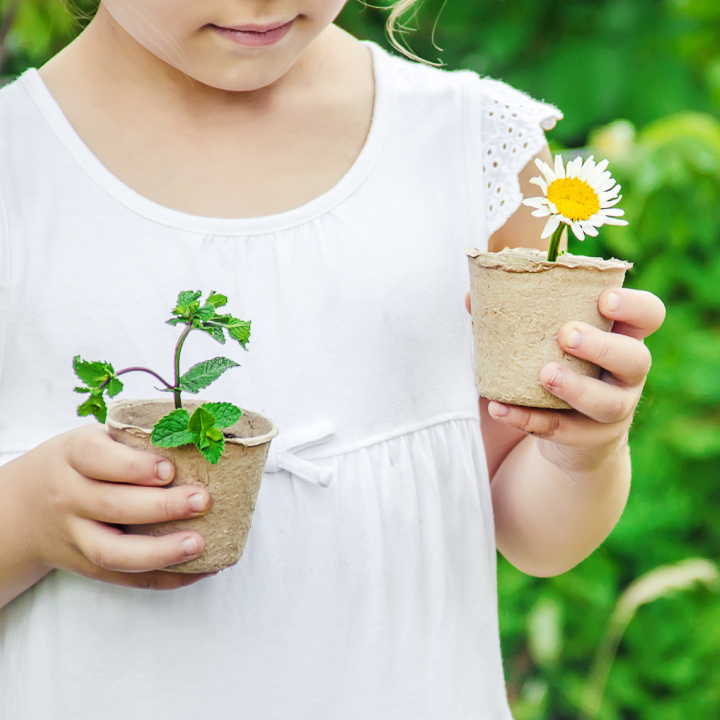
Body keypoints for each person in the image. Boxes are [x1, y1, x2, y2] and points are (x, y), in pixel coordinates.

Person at [0, 2, 665, 718]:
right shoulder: (20, 171)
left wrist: (581, 454)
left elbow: (532, 532)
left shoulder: (468, 148)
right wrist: (30, 514)